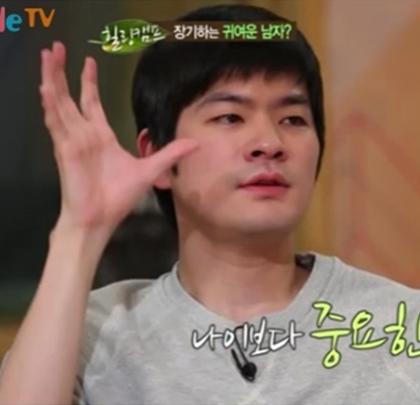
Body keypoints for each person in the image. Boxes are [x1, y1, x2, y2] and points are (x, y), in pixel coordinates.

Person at [1, 4, 420, 405]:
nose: (269, 143)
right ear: (155, 153)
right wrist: (81, 229)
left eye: (293, 119)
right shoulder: (93, 333)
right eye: (230, 117)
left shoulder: (399, 323)